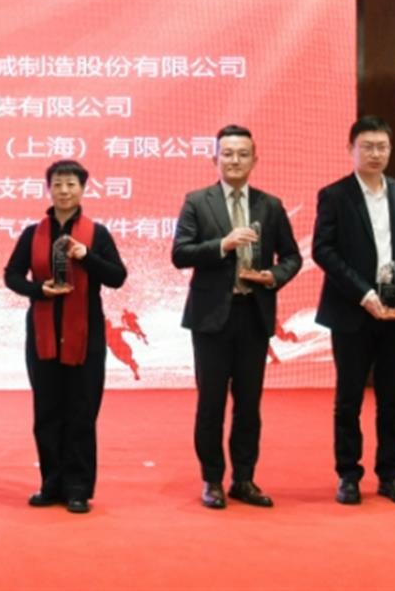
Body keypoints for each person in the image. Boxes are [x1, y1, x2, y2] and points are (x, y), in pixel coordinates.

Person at [171, 124, 302, 510]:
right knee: (211, 403)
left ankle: (244, 478)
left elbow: (292, 257)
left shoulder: (270, 205)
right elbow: (180, 253)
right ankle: (212, 480)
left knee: (249, 404)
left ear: (255, 160)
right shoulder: (198, 201)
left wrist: (272, 277)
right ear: (215, 158)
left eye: (243, 154)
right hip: (211, 318)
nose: (234, 160)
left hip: (253, 315)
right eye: (227, 153)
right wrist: (223, 245)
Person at [312, 116, 395, 506]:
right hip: (352, 311)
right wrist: (364, 294)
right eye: (367, 146)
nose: (376, 154)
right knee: (349, 398)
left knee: (392, 399)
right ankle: (348, 474)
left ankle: (390, 474)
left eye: (382, 147)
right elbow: (323, 250)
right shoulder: (334, 195)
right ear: (351, 149)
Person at [3, 160, 127, 514]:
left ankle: (78, 488)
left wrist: (86, 256)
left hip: (86, 338)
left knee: (81, 412)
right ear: (49, 189)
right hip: (42, 336)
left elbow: (117, 277)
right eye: (57, 184)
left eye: (71, 184)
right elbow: (12, 276)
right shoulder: (33, 233)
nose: (64, 191)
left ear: (83, 189)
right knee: (47, 412)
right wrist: (38, 290)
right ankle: (51, 483)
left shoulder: (96, 233)